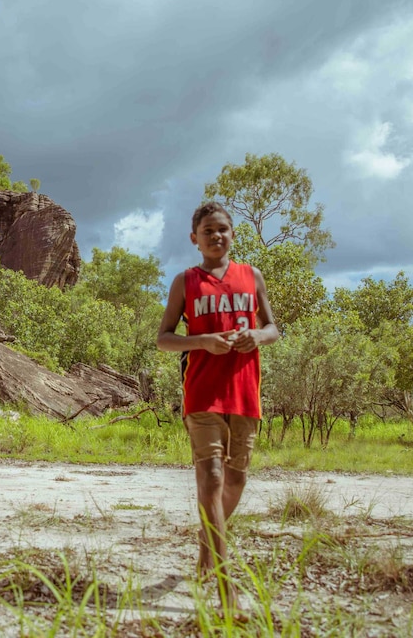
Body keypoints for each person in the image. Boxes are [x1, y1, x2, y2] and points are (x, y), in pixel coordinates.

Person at [156, 200, 279, 609]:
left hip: (244, 392)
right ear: (195, 239)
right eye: (207, 230)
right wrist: (202, 342)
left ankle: (208, 540)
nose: (216, 236)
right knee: (210, 478)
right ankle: (227, 593)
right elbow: (164, 338)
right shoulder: (185, 282)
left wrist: (256, 338)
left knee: (236, 480)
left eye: (222, 229)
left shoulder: (251, 276)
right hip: (203, 393)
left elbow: (272, 327)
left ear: (232, 234)